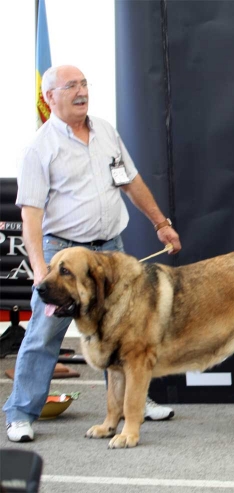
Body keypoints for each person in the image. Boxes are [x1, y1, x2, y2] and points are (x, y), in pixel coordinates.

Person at [4, 65, 182, 442]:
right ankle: (21, 412)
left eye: (84, 83)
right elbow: (31, 216)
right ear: (49, 97)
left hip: (111, 254)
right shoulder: (40, 147)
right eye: (71, 86)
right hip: (65, 257)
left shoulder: (105, 131)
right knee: (44, 333)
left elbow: (130, 181)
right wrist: (41, 269)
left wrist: (160, 223)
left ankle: (135, 404)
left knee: (125, 333)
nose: (81, 91)